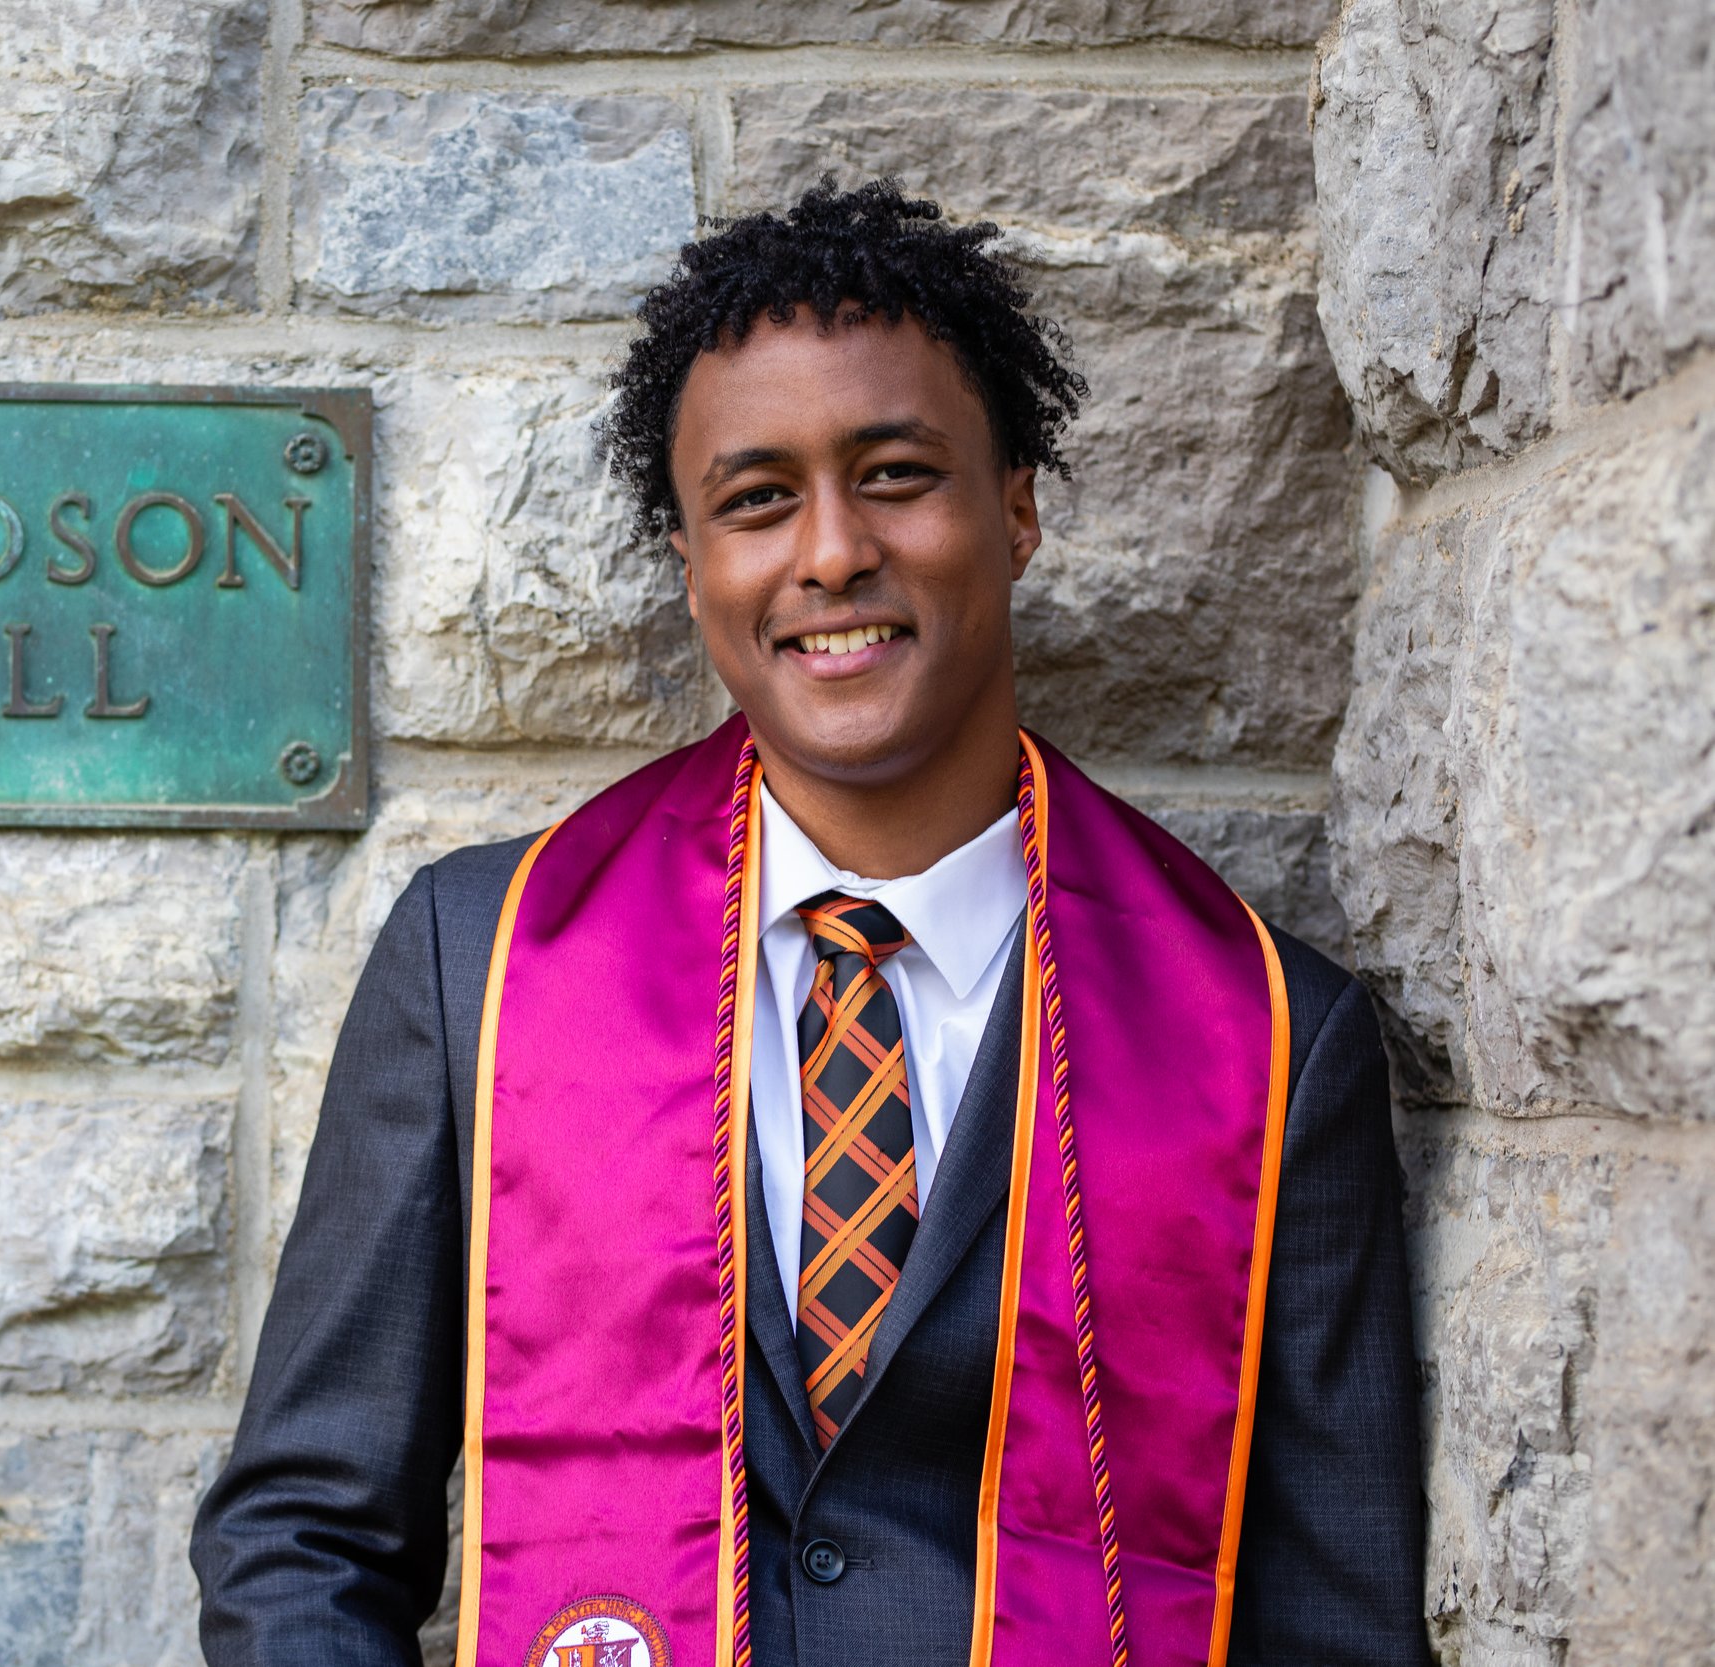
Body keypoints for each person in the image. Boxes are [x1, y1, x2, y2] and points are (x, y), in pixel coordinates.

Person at [190, 180, 1427, 1667]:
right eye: (758, 499)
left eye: (896, 475)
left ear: (1017, 507)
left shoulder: (1263, 1039)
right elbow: (304, 1537)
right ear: (692, 563)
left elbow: (1333, 1623)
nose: (830, 552)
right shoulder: (488, 967)